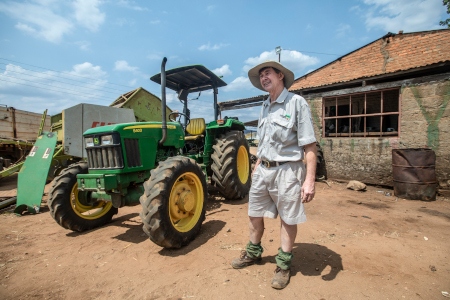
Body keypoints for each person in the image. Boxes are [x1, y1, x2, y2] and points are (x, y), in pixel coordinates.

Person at [231, 61, 317, 289]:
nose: (263, 78)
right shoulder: (265, 106)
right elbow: (264, 141)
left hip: (288, 171)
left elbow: (309, 146)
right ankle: (253, 252)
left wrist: (309, 181)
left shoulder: (296, 103)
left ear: (280, 75)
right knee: (254, 213)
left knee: (288, 218)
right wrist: (258, 163)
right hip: (263, 169)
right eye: (261, 75)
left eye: (267, 73)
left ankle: (284, 264)